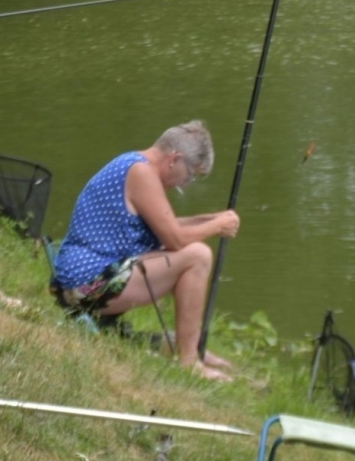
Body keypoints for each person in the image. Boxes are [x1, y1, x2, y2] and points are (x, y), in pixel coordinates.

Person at [50, 121, 241, 382]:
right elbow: (175, 240)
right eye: (190, 175)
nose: (185, 183)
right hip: (84, 286)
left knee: (194, 252)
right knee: (198, 256)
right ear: (175, 159)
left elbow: (167, 228)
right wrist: (217, 226)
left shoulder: (135, 165)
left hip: (90, 279)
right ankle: (189, 361)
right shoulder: (141, 173)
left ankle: (191, 348)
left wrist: (213, 218)